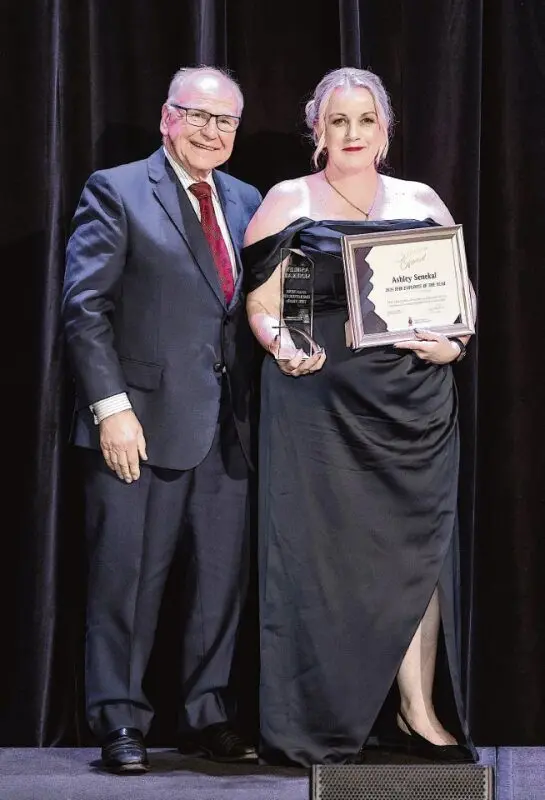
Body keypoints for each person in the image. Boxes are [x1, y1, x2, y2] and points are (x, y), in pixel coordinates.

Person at [243, 67, 477, 767]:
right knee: (319, 564)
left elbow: (460, 300)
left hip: (412, 405)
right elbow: (261, 304)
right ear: (316, 129)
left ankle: (417, 710)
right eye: (337, 121)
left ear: (385, 129)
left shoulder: (420, 198)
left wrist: (454, 343)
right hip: (317, 404)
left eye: (364, 120)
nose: (351, 134)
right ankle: (318, 718)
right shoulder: (289, 199)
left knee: (416, 557)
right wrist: (281, 342)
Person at [62, 66, 262, 773]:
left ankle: (208, 715)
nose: (211, 131)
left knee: (219, 584)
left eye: (225, 121)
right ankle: (120, 720)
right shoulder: (115, 190)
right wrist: (110, 408)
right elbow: (86, 309)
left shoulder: (247, 200)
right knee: (126, 579)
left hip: (228, 431)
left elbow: (260, 308)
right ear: (165, 117)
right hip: (137, 426)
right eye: (197, 115)